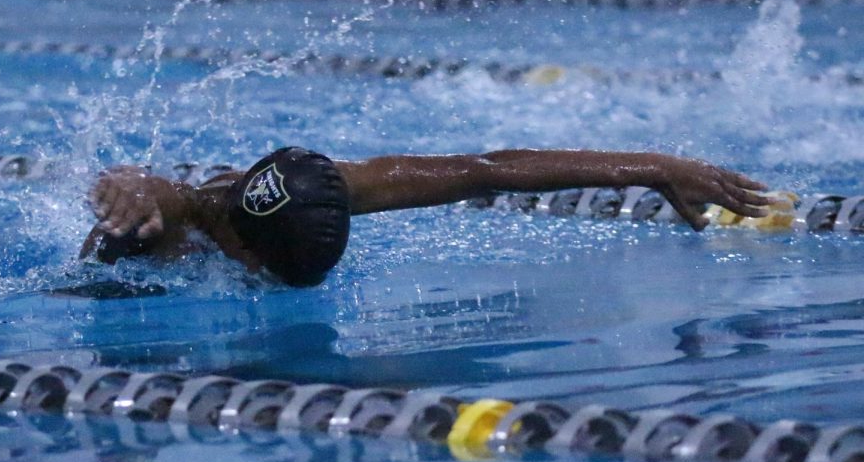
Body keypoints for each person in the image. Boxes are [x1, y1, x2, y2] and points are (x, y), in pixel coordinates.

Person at [81, 147, 772, 287]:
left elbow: (487, 171)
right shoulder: (170, 229)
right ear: (254, 259)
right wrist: (126, 188)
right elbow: (143, 186)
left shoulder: (334, 186)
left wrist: (653, 169)